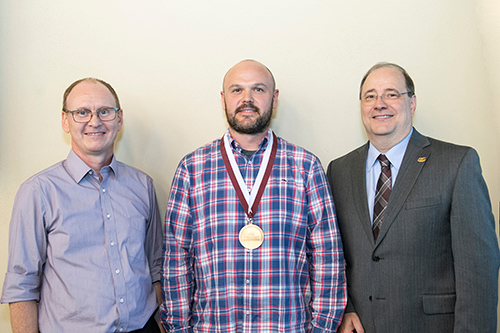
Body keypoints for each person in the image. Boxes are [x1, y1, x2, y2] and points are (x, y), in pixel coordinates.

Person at [160, 59, 346, 332]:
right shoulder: (192, 169)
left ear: (275, 97)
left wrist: (323, 328)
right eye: (237, 90)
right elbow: (177, 258)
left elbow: (327, 255)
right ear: (223, 99)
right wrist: (177, 327)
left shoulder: (305, 166)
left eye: (258, 89)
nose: (247, 99)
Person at [326, 62, 500, 332]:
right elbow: (336, 255)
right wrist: (345, 307)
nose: (379, 104)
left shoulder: (456, 164)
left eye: (392, 94)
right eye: (370, 96)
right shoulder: (339, 171)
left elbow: (478, 270)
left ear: (412, 102)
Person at [1, 78, 164, 333]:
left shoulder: (143, 186)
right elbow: (21, 285)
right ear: (65, 121)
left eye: (104, 111)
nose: (95, 121)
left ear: (119, 119)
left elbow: (156, 267)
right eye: (82, 112)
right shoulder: (38, 192)